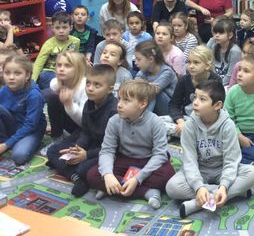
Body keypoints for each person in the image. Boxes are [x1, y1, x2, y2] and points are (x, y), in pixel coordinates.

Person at [166, 81, 254, 218]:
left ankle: (198, 203)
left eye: (202, 99)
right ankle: (234, 192)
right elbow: (189, 161)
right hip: (200, 169)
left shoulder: (228, 125)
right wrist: (199, 187)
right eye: (195, 97)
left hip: (221, 168)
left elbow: (231, 160)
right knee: (172, 187)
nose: (195, 103)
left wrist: (224, 185)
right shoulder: (190, 126)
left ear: (217, 105)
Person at [86, 81, 176, 209]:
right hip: (125, 160)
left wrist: (137, 179)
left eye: (126, 101)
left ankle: (112, 188)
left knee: (167, 175)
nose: (119, 104)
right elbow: (107, 151)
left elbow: (160, 155)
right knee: (92, 174)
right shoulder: (114, 121)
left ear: (142, 104)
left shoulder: (155, 122)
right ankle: (146, 192)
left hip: (147, 160)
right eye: (119, 99)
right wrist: (108, 175)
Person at [46, 64, 117, 197]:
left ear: (109, 89)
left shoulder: (114, 111)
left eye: (97, 85)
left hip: (106, 150)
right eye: (88, 83)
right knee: (52, 151)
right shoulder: (89, 103)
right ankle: (77, 177)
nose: (90, 88)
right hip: (91, 143)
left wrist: (86, 155)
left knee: (83, 168)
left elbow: (113, 147)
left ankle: (73, 172)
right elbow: (85, 131)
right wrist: (78, 148)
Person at [165, 45, 221, 136]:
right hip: (185, 118)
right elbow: (174, 105)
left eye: (196, 63)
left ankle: (183, 134)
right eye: (189, 62)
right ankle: (184, 133)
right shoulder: (184, 80)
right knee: (157, 122)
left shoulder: (215, 81)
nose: (191, 66)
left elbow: (216, 109)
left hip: (205, 121)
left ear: (207, 65)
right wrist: (180, 122)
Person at [0, 55, 46, 165]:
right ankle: (7, 139)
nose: (11, 77)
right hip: (12, 124)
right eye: (7, 73)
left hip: (31, 130)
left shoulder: (34, 95)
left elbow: (30, 125)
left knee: (19, 156)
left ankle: (12, 141)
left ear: (27, 75)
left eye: (17, 73)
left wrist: (6, 145)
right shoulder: (4, 90)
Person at [44, 51, 88, 145]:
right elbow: (53, 83)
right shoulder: (57, 83)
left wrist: (69, 104)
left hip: (84, 127)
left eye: (67, 66)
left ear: (78, 69)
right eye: (59, 65)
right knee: (51, 96)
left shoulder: (85, 87)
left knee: (63, 149)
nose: (61, 69)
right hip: (69, 123)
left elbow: (84, 122)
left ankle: (69, 137)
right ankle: (57, 136)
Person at [32, 11, 80, 90]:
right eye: (57, 28)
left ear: (71, 28)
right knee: (57, 80)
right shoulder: (49, 44)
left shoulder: (76, 41)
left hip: (67, 70)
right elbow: (38, 64)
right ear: (52, 28)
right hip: (50, 71)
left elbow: (76, 60)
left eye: (64, 27)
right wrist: (32, 83)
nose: (61, 31)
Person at [134, 41, 178, 115]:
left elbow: (154, 90)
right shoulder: (143, 71)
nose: (135, 62)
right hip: (154, 107)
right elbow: (135, 86)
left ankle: (144, 116)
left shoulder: (167, 72)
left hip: (169, 107)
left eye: (139, 59)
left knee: (153, 92)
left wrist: (143, 86)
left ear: (151, 59)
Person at [207, 17, 242, 87]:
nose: (217, 35)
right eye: (215, 32)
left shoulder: (235, 51)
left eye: (221, 33)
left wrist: (218, 86)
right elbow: (212, 68)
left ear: (230, 35)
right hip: (215, 82)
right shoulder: (214, 46)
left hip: (227, 85)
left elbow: (231, 75)